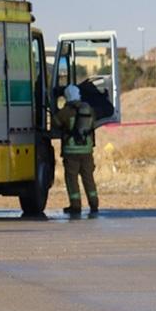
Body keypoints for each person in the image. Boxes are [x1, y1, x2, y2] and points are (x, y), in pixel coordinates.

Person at [54, 84, 99, 216]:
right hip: (87, 150)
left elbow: (56, 123)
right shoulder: (88, 109)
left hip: (71, 152)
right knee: (88, 177)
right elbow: (94, 123)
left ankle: (75, 205)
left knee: (72, 179)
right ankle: (94, 203)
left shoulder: (66, 111)